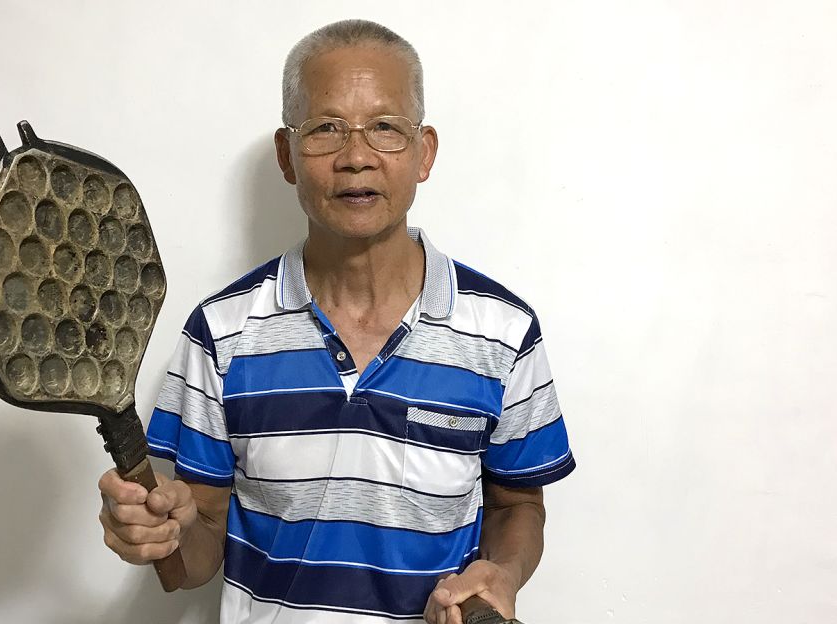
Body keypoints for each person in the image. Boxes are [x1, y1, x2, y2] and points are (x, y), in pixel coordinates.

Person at [98, 19, 575, 624]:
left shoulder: (502, 332)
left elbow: (518, 506)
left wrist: (501, 575)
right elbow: (195, 553)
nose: (356, 158)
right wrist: (161, 538)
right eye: (325, 129)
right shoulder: (219, 334)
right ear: (286, 155)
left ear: (424, 151)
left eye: (385, 128)